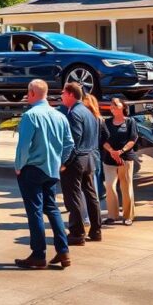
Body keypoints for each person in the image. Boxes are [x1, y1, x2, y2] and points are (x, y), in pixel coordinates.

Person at [14, 79, 75, 270]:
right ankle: (63, 251)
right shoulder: (60, 116)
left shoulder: (30, 116)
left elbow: (24, 145)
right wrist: (61, 162)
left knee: (35, 211)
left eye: (27, 92)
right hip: (52, 169)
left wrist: (18, 165)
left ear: (32, 93)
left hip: (32, 168)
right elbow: (70, 144)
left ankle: (38, 254)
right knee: (52, 208)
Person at [59, 82, 102, 245]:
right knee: (90, 194)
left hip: (77, 160)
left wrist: (65, 162)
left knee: (73, 196)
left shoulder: (75, 113)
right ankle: (96, 230)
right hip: (89, 158)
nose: (61, 96)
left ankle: (77, 233)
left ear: (71, 94)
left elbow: (73, 141)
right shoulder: (88, 111)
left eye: (63, 93)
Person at [99, 97, 138, 225]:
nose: (113, 107)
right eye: (111, 105)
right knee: (110, 185)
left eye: (115, 104)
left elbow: (133, 139)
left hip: (125, 159)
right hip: (109, 159)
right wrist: (112, 151)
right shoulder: (106, 122)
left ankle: (128, 216)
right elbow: (102, 140)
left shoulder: (130, 121)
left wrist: (120, 152)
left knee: (126, 187)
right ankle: (112, 215)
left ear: (123, 107)